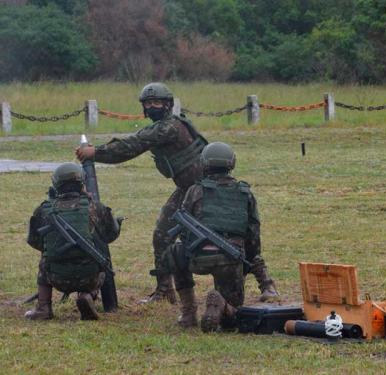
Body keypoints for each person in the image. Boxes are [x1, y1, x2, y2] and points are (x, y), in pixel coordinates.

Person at [75, 83, 278, 304]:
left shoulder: (167, 128)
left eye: (157, 102)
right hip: (187, 189)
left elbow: (132, 145)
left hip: (206, 189)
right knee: (163, 235)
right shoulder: (167, 125)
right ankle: (164, 290)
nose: (152, 106)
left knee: (230, 233)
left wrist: (95, 152)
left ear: (167, 105)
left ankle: (267, 284)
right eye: (148, 103)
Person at [171, 142, 271, 332]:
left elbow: (184, 231)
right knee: (232, 321)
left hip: (198, 258)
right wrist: (247, 262)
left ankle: (188, 312)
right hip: (231, 260)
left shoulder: (195, 191)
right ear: (232, 163)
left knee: (175, 251)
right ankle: (223, 305)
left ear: (204, 164)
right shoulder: (245, 193)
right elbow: (253, 235)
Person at [25, 162, 121, 320]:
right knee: (102, 262)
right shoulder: (95, 207)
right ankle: (88, 295)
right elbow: (110, 236)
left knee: (45, 258)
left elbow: (35, 242)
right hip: (90, 277)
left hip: (56, 277)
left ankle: (43, 307)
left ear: (56, 183)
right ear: (82, 183)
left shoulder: (44, 210)